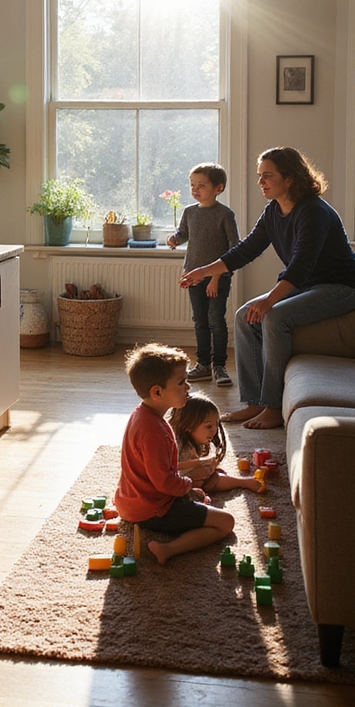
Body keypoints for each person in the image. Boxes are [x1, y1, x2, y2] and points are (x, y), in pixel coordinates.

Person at [180, 146, 355, 430]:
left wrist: (270, 300)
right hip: (307, 284)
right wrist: (203, 272)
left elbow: (301, 264)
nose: (260, 182)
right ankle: (254, 402)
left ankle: (273, 407)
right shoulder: (273, 211)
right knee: (244, 316)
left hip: (341, 287)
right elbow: (245, 251)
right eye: (260, 176)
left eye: (267, 176)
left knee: (275, 317)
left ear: (289, 178)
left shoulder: (313, 211)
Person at [114, 343, 234, 566]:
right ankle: (167, 549)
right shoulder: (154, 432)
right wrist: (187, 485)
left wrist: (186, 491)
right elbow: (165, 482)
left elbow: (156, 474)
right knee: (225, 522)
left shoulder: (142, 415)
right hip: (150, 510)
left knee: (199, 498)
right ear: (157, 392)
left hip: (131, 501)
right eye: (181, 383)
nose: (188, 386)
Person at [167, 163, 239, 387]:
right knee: (200, 321)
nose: (195, 189)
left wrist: (216, 277)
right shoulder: (189, 212)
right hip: (193, 275)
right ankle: (203, 365)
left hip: (218, 278)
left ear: (218, 188)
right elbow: (184, 233)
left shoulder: (225, 215)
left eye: (201, 185)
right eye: (192, 185)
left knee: (216, 321)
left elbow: (234, 249)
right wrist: (175, 239)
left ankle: (219, 366)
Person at [169, 392, 263, 493]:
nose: (214, 430)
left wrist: (210, 465)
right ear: (188, 425)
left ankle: (243, 482)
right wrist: (200, 463)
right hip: (172, 482)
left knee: (214, 474)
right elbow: (173, 467)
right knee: (203, 475)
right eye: (209, 426)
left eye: (216, 425)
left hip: (190, 478)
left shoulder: (194, 439)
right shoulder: (177, 443)